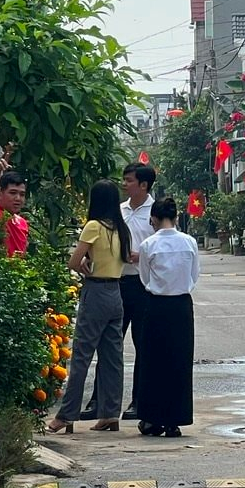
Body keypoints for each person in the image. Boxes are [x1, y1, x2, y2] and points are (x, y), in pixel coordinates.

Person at [47, 181, 131, 434]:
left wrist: (84, 262)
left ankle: (66, 415)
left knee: (82, 356)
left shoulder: (93, 226)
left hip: (95, 292)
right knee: (112, 358)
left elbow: (73, 261)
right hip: (116, 292)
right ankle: (110, 413)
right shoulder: (121, 228)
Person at [82, 162, 155, 421]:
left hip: (142, 285)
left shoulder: (155, 213)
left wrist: (141, 256)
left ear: (143, 185)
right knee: (108, 346)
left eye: (129, 180)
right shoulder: (118, 211)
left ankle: (138, 401)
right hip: (115, 283)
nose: (124, 184)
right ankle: (99, 402)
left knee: (143, 345)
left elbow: (164, 246)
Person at [136, 197, 200, 438]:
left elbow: (144, 278)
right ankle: (176, 420)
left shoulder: (148, 245)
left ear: (153, 218)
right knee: (179, 362)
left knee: (153, 363)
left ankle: (153, 418)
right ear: (175, 218)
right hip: (182, 306)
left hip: (156, 305)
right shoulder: (190, 242)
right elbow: (195, 275)